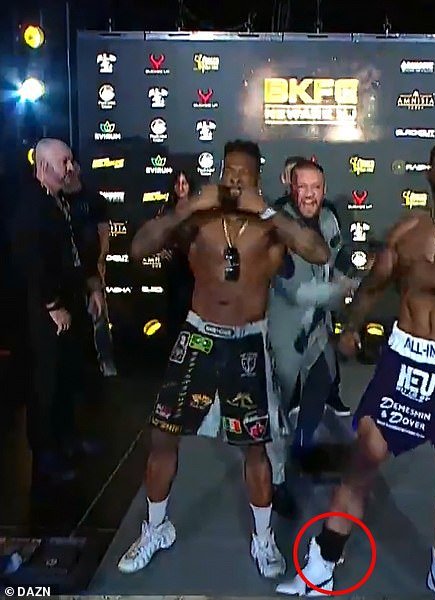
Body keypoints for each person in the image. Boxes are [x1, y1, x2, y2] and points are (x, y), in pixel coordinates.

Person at [276, 138, 435, 597]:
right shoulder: (407, 229)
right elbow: (374, 285)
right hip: (404, 360)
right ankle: (322, 565)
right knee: (362, 461)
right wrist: (352, 325)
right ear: (429, 174)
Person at [117, 140, 330, 577]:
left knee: (255, 447)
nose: (234, 180)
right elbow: (139, 248)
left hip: (247, 340)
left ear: (257, 180)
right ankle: (156, 528)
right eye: (228, 171)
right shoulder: (199, 220)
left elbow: (319, 251)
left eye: (243, 174)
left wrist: (266, 211)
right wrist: (188, 206)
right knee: (163, 437)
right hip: (198, 335)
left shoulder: (271, 225)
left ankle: (263, 539)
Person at [266, 160, 358, 518]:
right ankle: (276, 481)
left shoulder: (330, 219)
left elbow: (336, 261)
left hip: (318, 328)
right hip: (284, 331)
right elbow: (297, 292)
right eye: (302, 187)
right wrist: (347, 290)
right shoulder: (279, 226)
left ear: (324, 189)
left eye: (315, 187)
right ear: (291, 187)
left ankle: (302, 446)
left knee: (322, 381)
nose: (309, 194)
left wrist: (347, 278)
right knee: (276, 409)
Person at [11, 139, 105, 483]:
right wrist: (52, 305)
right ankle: (45, 454)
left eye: (70, 161)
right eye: (63, 162)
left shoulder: (60, 201)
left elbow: (76, 250)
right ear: (43, 166)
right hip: (44, 309)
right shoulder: (31, 206)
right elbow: (31, 261)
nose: (70, 168)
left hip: (70, 298)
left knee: (67, 375)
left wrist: (91, 285)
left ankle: (67, 440)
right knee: (46, 382)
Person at [64, 159, 117, 377]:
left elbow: (104, 233)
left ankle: (106, 362)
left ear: (79, 168)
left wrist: (101, 261)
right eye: (64, 165)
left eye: (72, 165)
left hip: (91, 268)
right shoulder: (57, 198)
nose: (68, 170)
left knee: (99, 316)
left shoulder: (94, 199)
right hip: (67, 268)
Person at [157, 170, 197, 345]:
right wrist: (161, 249)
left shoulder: (197, 210)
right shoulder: (167, 210)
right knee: (174, 312)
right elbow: (156, 235)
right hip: (173, 269)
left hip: (194, 269)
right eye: (177, 183)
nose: (181, 187)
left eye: (184, 183)